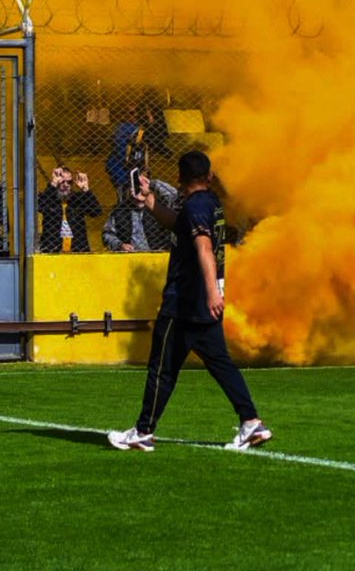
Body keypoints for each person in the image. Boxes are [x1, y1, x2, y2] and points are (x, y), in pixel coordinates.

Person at [108, 149, 271, 453]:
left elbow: (204, 248)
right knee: (219, 363)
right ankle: (251, 422)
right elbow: (179, 226)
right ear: (208, 177)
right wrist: (150, 201)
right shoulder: (207, 202)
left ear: (180, 179)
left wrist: (211, 291)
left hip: (185, 302)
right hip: (202, 301)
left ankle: (143, 431)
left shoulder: (195, 206)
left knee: (162, 368)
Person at [102, 178, 177, 253]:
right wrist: (120, 245)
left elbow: (174, 195)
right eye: (135, 189)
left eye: (140, 189)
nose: (138, 194)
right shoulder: (120, 211)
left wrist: (152, 184)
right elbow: (107, 234)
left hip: (158, 253)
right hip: (131, 256)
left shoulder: (158, 207)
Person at [38, 165, 102, 253]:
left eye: (69, 182)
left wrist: (86, 189)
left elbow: (96, 211)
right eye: (62, 182)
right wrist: (53, 183)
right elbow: (41, 205)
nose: (66, 185)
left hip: (78, 249)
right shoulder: (49, 198)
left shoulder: (77, 199)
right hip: (52, 249)